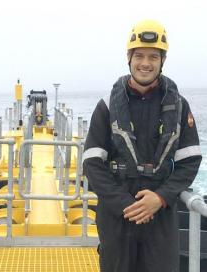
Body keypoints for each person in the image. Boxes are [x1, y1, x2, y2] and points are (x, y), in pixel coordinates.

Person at [83, 19, 202, 272]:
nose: (145, 63)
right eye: (139, 55)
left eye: (153, 57)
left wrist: (160, 197)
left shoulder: (179, 107)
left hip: (160, 212)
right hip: (117, 213)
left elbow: (190, 161)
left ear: (162, 61)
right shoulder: (106, 107)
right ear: (128, 57)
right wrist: (127, 205)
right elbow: (92, 164)